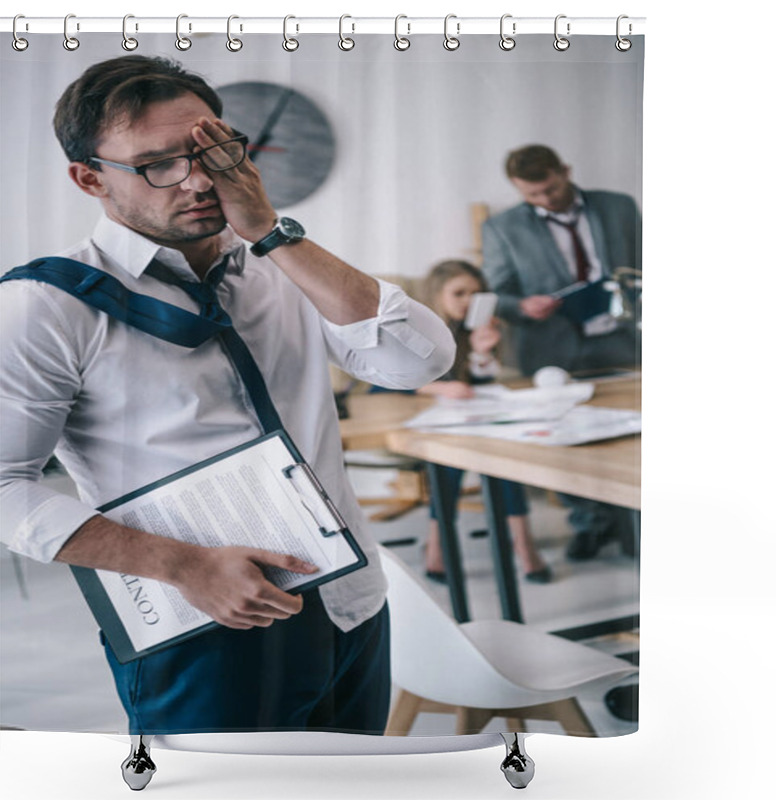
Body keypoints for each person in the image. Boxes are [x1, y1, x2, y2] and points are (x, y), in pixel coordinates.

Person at [0, 55, 455, 736]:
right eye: (158, 165)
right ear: (89, 177)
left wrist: (272, 232)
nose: (199, 180)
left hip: (350, 602)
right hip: (199, 622)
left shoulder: (283, 264)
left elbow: (417, 360)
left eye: (211, 150)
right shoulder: (43, 305)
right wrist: (182, 565)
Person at [482, 145, 641, 561]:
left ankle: (636, 527)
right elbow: (496, 293)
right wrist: (522, 306)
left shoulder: (619, 206)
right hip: (550, 345)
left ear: (565, 171)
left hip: (620, 338)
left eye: (551, 189)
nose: (545, 200)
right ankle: (590, 524)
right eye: (533, 195)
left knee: (631, 431)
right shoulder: (502, 227)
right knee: (565, 437)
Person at [417, 260, 552, 584]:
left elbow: (480, 381)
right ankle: (438, 549)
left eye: (476, 293)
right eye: (459, 293)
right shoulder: (417, 329)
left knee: (504, 458)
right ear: (437, 295)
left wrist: (482, 351)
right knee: (448, 464)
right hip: (426, 418)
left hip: (469, 417)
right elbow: (385, 383)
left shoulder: (480, 328)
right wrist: (441, 387)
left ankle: (523, 544)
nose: (468, 300)